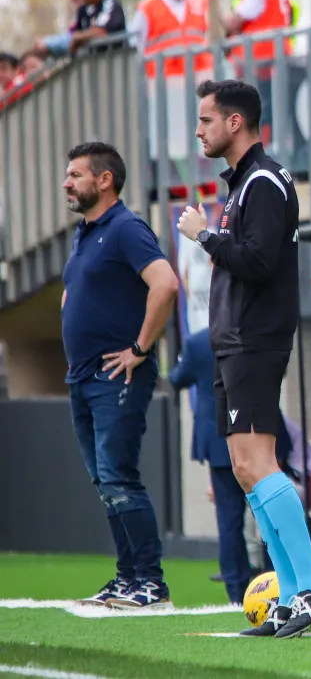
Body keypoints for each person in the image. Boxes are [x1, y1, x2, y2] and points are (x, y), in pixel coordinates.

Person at [177, 79, 311, 638]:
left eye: (205, 120)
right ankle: (291, 595)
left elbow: (260, 261)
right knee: (246, 468)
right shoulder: (244, 183)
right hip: (233, 341)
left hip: (255, 339)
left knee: (259, 463)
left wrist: (205, 238)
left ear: (235, 122)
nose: (199, 131)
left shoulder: (265, 181)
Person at [61, 142, 179, 608]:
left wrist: (139, 349)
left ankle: (150, 582)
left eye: (75, 174)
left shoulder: (126, 228)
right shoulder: (84, 233)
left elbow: (165, 283)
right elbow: (74, 294)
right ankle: (128, 577)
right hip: (83, 377)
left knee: (118, 476)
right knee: (106, 480)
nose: (67, 182)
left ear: (104, 180)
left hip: (116, 376)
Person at [170, 327, 252, 605]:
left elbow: (176, 379)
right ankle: (278, 579)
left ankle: (237, 591)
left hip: (218, 439)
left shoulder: (196, 342)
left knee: (229, 520)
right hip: (256, 431)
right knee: (269, 513)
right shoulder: (252, 334)